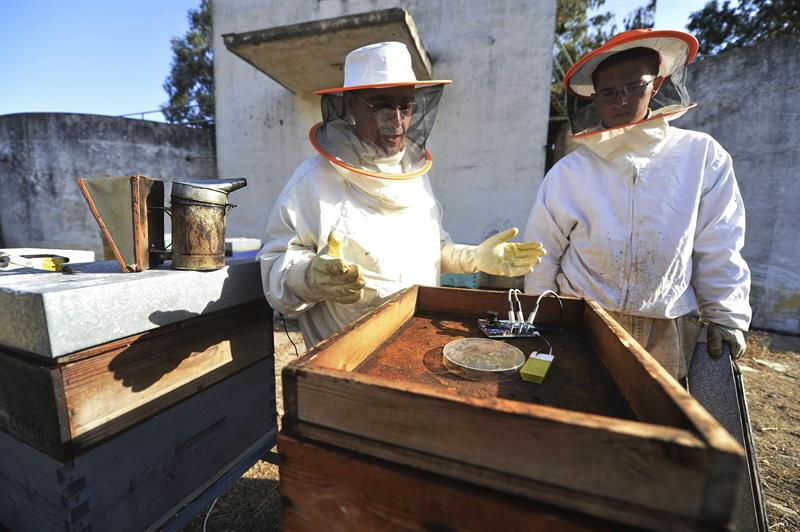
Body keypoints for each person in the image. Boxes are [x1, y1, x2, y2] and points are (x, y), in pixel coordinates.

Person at [259, 41, 545, 347]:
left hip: (414, 344)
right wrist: (310, 277)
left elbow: (432, 248)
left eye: (406, 106)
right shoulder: (312, 181)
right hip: (342, 361)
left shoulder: (414, 176)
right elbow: (275, 275)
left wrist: (473, 258)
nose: (397, 122)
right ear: (351, 105)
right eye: (382, 105)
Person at [523, 29, 750, 381]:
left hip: (667, 324)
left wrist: (725, 315)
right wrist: (544, 316)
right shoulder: (570, 171)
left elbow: (720, 240)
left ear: (656, 86)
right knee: (582, 409)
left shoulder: (701, 155)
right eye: (610, 93)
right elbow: (542, 251)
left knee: (655, 421)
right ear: (595, 99)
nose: (621, 101)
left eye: (634, 87)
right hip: (584, 318)